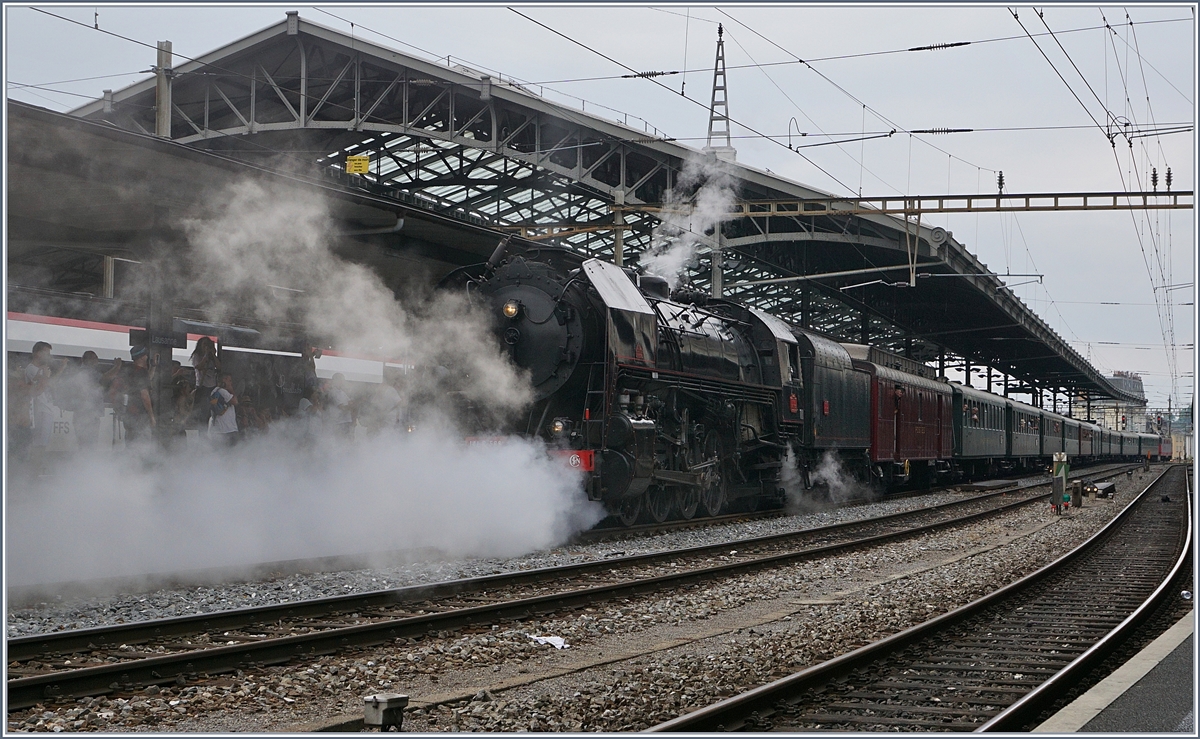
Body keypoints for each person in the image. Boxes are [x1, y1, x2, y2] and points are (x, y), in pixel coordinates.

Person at [24, 341, 64, 464]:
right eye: (46, 353)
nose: (49, 356)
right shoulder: (31, 369)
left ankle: (35, 473)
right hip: (40, 410)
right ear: (37, 353)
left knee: (42, 445)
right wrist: (47, 375)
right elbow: (45, 384)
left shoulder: (41, 369)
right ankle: (33, 476)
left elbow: (51, 384)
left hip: (46, 409)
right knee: (39, 445)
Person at [117, 345, 155, 445]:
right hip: (139, 413)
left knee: (131, 440)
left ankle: (130, 459)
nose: (147, 356)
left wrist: (153, 367)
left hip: (129, 412)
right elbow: (144, 395)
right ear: (142, 357)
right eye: (146, 354)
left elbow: (147, 379)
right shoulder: (141, 372)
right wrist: (151, 416)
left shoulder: (129, 369)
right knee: (142, 441)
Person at [190, 337, 220, 436]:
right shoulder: (197, 356)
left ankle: (211, 432)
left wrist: (213, 355)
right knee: (202, 413)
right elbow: (199, 367)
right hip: (202, 387)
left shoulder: (211, 357)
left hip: (212, 387)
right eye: (204, 345)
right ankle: (202, 434)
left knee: (213, 412)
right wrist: (206, 355)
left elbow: (219, 366)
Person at [209, 373, 239, 445]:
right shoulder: (222, 391)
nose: (231, 383)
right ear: (224, 380)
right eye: (230, 381)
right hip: (226, 429)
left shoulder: (215, 391)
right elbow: (235, 402)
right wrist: (232, 390)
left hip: (222, 429)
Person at [326, 373, 354, 438]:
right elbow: (342, 407)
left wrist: (350, 406)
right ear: (336, 381)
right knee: (340, 442)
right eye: (341, 380)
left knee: (346, 442)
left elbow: (351, 403)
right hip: (338, 422)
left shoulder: (342, 392)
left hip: (346, 421)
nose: (343, 382)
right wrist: (349, 406)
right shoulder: (333, 392)